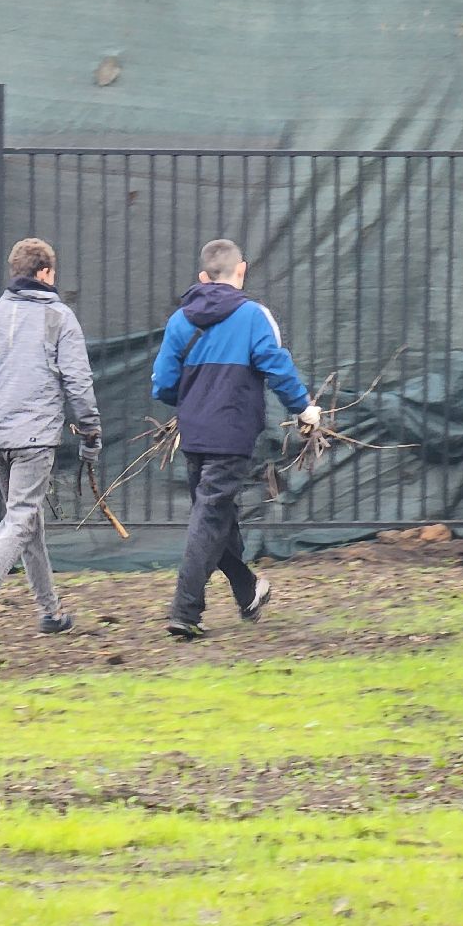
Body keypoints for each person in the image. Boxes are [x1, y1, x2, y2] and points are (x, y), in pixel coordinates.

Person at [151, 238, 322, 640]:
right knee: (211, 519)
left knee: (215, 516)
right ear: (240, 270)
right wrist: (303, 408)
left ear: (202, 276)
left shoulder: (181, 320)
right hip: (233, 433)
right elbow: (276, 366)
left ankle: (248, 590)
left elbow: (162, 384)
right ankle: (184, 610)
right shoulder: (253, 316)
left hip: (194, 434)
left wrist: (191, 404)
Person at [0, 238, 100, 647]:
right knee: (20, 519)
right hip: (36, 437)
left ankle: (51, 612)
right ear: (45, 273)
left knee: (28, 521)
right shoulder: (60, 318)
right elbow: (78, 384)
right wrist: (91, 433)